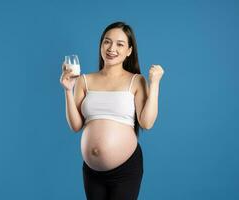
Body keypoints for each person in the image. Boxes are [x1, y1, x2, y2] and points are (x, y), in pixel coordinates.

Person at [60, 21, 164, 200]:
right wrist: (68, 90)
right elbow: (76, 126)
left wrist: (154, 84)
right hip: (92, 171)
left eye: (120, 44)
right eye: (107, 42)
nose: (111, 48)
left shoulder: (136, 81)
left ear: (129, 51)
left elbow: (146, 123)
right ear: (101, 45)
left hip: (126, 169)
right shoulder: (84, 80)